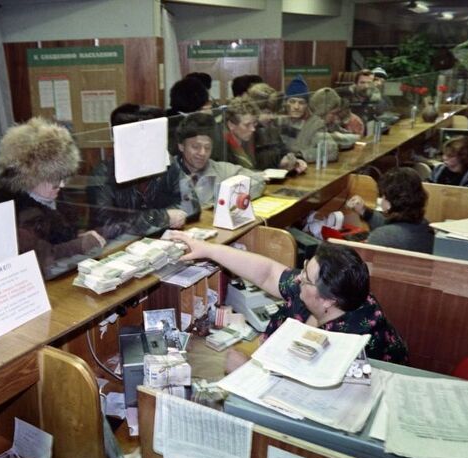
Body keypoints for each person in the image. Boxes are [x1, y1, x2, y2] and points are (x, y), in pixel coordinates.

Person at [168, 231, 409, 365]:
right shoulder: (327, 292)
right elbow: (268, 273)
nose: (298, 278)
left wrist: (243, 369)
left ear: (328, 300)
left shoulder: (349, 345)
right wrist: (208, 249)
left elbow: (295, 396)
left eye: (306, 277)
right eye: (304, 268)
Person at [0, 117, 106, 279]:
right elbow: (40, 259)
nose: (62, 185)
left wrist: (80, 234)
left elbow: (63, 234)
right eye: (54, 179)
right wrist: (80, 244)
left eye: (64, 177)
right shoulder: (19, 212)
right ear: (30, 178)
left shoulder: (51, 197)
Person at [88, 104, 199, 239]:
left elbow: (192, 204)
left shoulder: (166, 162)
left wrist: (155, 219)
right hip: (118, 246)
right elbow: (106, 225)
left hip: (159, 239)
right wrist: (162, 217)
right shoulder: (103, 174)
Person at [176, 112, 265, 211]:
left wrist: (224, 199)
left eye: (207, 147)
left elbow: (258, 180)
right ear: (181, 146)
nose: (202, 153)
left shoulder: (219, 169)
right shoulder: (168, 174)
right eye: (196, 147)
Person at [348, 167, 434, 254]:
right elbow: (396, 228)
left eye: (383, 196)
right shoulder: (425, 226)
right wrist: (364, 211)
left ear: (390, 202)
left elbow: (388, 233)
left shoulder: (381, 237)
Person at [246, 83, 307, 173]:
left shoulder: (271, 126)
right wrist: (279, 161)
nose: (272, 117)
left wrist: (297, 158)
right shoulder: (247, 132)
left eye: (274, 113)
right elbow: (256, 160)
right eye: (267, 113)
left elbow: (282, 148)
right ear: (254, 111)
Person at [279, 77, 338, 163]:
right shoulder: (280, 120)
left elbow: (330, 151)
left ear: (307, 105)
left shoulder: (315, 124)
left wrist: (300, 155)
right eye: (292, 101)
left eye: (301, 102)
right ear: (286, 103)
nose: (296, 107)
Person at [221, 96, 260, 169]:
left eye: (254, 123)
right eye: (247, 125)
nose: (253, 129)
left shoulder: (250, 139)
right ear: (231, 125)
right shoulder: (223, 151)